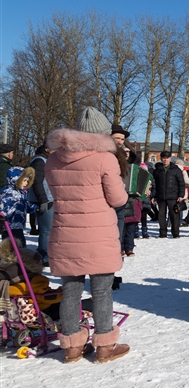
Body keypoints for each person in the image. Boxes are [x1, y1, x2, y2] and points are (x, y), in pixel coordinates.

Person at [45, 106, 130, 363]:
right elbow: (117, 199)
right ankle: (105, 346)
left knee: (70, 290)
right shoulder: (105, 159)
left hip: (65, 233)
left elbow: (54, 194)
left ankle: (72, 347)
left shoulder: (53, 159)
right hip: (98, 234)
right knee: (102, 290)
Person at [27, 144, 54, 266]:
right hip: (43, 200)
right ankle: (44, 256)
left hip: (47, 198)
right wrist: (43, 200)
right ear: (47, 149)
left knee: (48, 229)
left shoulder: (43, 160)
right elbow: (37, 182)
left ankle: (46, 254)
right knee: (46, 230)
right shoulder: (39, 161)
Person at [0, 166, 36, 249]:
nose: (26, 183)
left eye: (27, 181)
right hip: (9, 227)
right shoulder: (8, 192)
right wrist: (3, 215)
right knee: (10, 248)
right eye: (24, 181)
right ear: (16, 180)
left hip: (18, 226)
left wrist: (35, 207)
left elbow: (26, 205)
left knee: (20, 246)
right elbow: (3, 205)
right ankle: (8, 261)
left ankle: (18, 260)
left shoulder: (21, 193)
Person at [152, 151, 184, 238]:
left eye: (167, 158)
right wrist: (153, 196)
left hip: (173, 196)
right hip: (161, 196)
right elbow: (154, 184)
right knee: (161, 215)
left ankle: (175, 233)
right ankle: (162, 233)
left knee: (174, 215)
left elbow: (181, 183)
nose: (165, 160)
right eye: (163, 158)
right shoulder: (157, 170)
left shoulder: (176, 170)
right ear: (161, 159)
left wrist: (181, 195)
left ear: (170, 159)